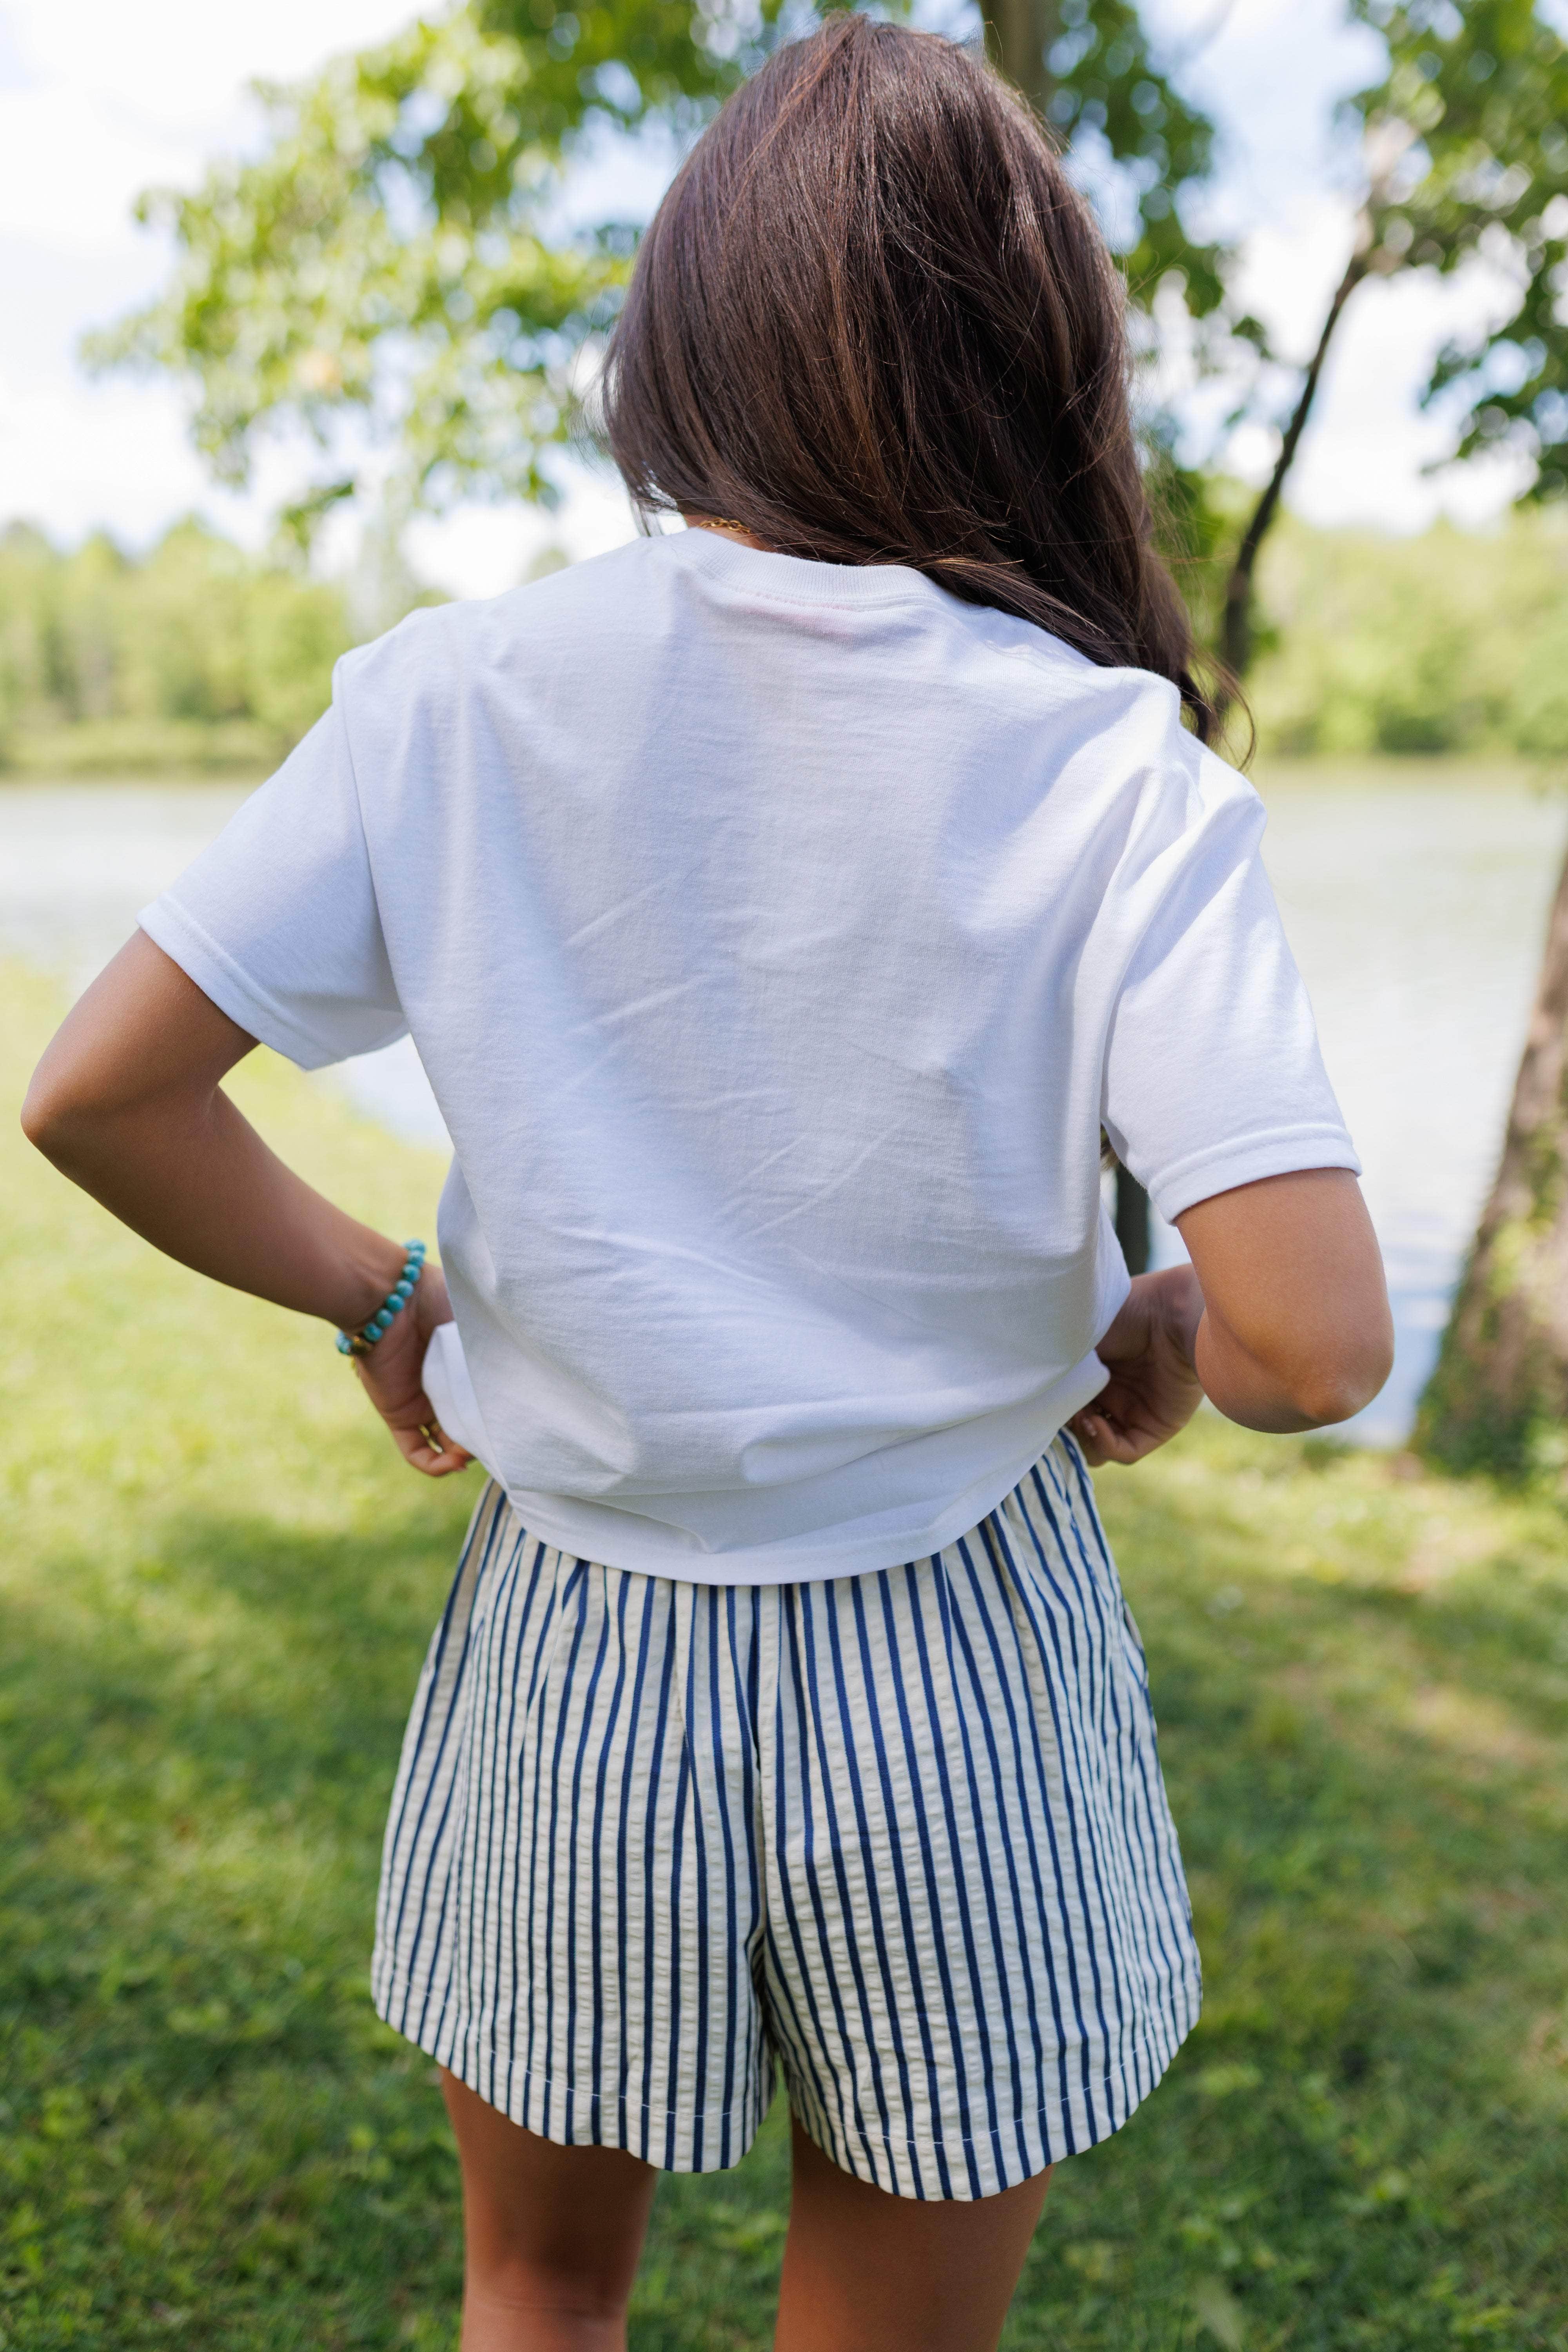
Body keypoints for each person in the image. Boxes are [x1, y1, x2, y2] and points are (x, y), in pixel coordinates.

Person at [21, 16, 1392, 2350]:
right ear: (1034, 362)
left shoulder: (458, 697)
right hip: (953, 1664)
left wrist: (381, 1299)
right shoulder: (1101, 761)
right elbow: (1317, 1339)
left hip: (574, 1646)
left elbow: (95, 1092)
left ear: (681, 341)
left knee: (538, 2300)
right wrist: (1162, 1328)